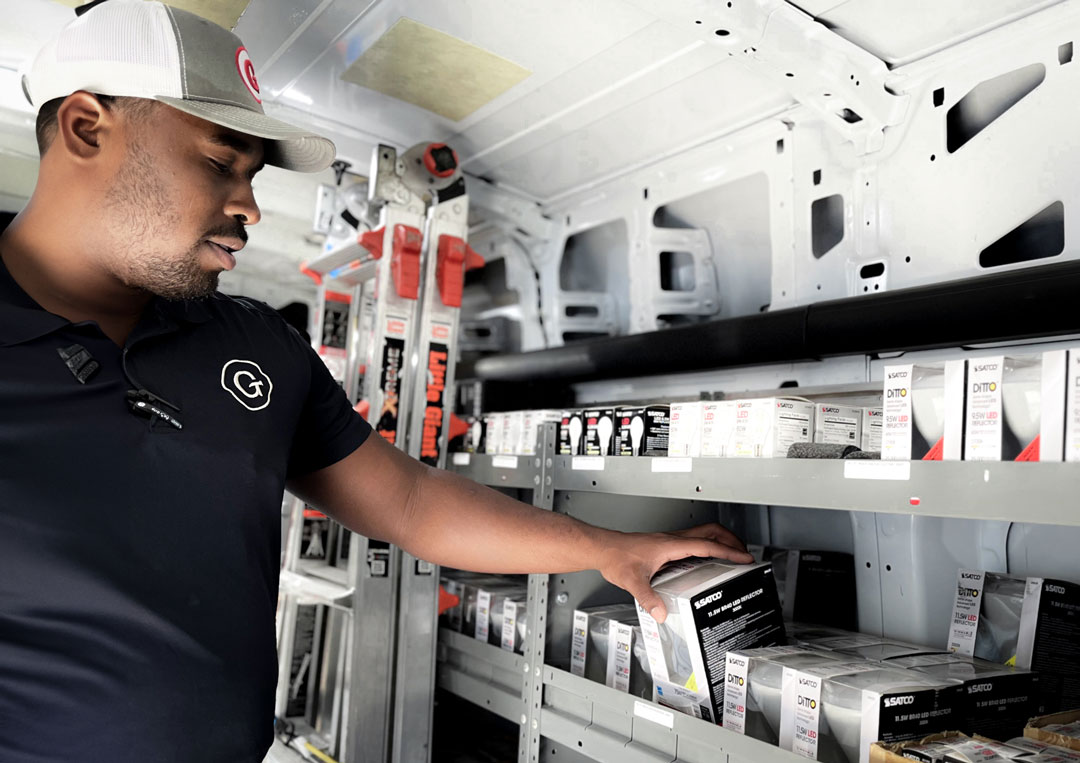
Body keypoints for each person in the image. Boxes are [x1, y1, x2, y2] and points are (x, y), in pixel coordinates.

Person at [0, 2, 752, 761]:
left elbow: (410, 501)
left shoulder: (255, 344)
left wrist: (604, 547)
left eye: (254, 176)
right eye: (218, 161)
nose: (249, 206)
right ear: (87, 127)